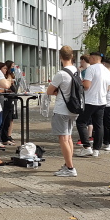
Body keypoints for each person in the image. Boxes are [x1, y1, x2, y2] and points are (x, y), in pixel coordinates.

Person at [47, 46, 79, 177]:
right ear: (72, 56)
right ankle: (68, 164)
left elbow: (49, 91)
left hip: (62, 109)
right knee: (69, 137)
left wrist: (58, 91)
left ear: (60, 57)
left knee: (64, 139)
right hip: (74, 108)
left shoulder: (61, 74)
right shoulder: (76, 71)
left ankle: (70, 168)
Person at [76, 52, 109, 157]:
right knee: (99, 125)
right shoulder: (106, 70)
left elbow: (87, 85)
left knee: (81, 122)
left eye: (90, 57)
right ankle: (96, 149)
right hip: (102, 100)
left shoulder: (91, 69)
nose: (88, 59)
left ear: (94, 58)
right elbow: (109, 87)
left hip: (90, 100)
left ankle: (86, 146)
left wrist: (80, 82)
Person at [0, 61, 17, 148]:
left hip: (10, 101)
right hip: (2, 101)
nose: (6, 70)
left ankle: (5, 138)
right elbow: (1, 89)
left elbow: (13, 88)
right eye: (4, 68)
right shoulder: (0, 76)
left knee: (8, 121)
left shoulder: (10, 75)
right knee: (2, 121)